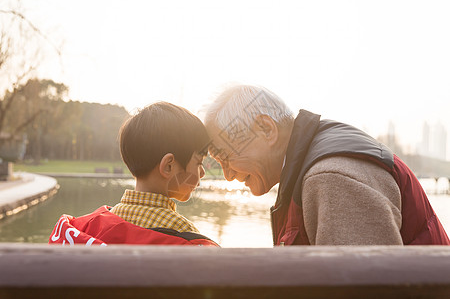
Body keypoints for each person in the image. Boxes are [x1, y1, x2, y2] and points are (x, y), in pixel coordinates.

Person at [204, 84, 449, 246]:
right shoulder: (313, 162)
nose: (227, 174)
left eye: (226, 157)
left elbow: (365, 290)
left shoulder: (332, 177)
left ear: (266, 129)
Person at [49, 102, 219, 247]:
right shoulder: (188, 240)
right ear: (168, 166)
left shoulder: (83, 228)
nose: (203, 172)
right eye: (198, 163)